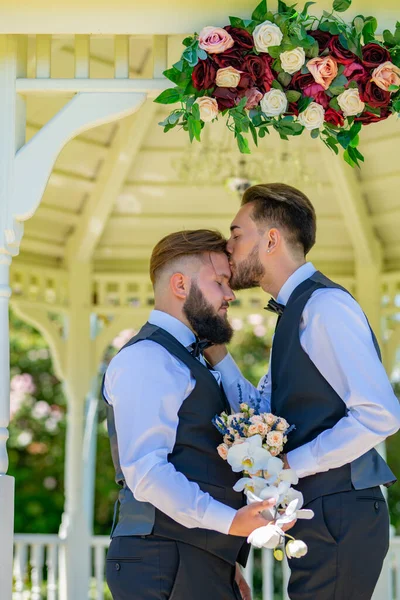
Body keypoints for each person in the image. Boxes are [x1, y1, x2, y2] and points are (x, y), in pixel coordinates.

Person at [205, 183, 400, 600]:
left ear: (271, 239)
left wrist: (292, 463)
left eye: (237, 234)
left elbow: (380, 414)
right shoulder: (296, 312)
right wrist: (217, 355)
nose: (228, 246)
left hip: (340, 515)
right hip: (324, 517)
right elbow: (261, 410)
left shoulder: (324, 307)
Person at [102, 229, 283, 600]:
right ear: (181, 285)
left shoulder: (190, 358)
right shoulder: (148, 358)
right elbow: (146, 470)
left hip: (197, 558)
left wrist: (225, 560)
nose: (230, 294)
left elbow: (201, 454)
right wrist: (229, 523)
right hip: (162, 560)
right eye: (219, 282)